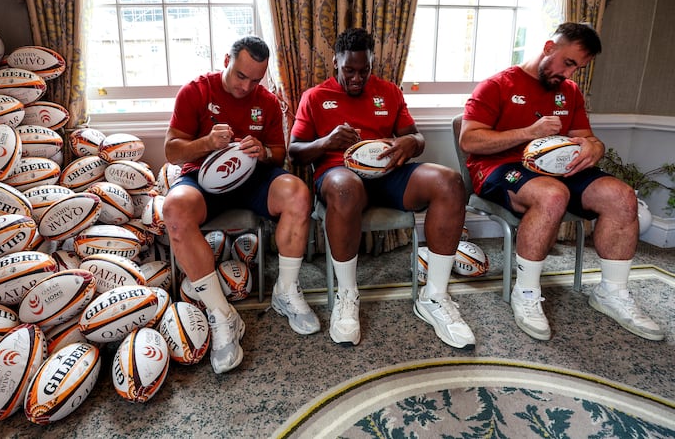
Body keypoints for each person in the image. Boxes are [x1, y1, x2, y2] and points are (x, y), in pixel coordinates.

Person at [459, 21, 664, 342]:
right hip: (500, 168)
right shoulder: (496, 85)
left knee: (621, 195)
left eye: (578, 68)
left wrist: (595, 147)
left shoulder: (569, 92)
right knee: (552, 195)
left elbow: (586, 138)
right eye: (568, 63)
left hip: (557, 166)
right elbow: (469, 140)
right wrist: (530, 132)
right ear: (548, 47)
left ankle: (612, 292)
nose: (570, 75)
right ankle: (525, 293)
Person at [289, 28, 474, 349]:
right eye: (349, 70)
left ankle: (435, 297)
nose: (357, 78)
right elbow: (294, 150)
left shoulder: (388, 92)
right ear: (335, 62)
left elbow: (415, 138)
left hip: (388, 174)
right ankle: (348, 296)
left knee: (449, 182)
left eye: (364, 70)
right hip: (339, 176)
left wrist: (409, 142)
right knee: (346, 187)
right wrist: (326, 141)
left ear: (372, 64)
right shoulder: (316, 97)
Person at [162, 36, 320, 374]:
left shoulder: (267, 101)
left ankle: (286, 290)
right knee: (174, 209)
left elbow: (280, 152)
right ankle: (223, 315)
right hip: (202, 180)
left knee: (298, 192)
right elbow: (172, 151)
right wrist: (205, 142)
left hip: (253, 179)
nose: (245, 86)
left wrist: (262, 150)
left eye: (255, 80)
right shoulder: (196, 91)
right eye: (240, 76)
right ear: (225, 61)